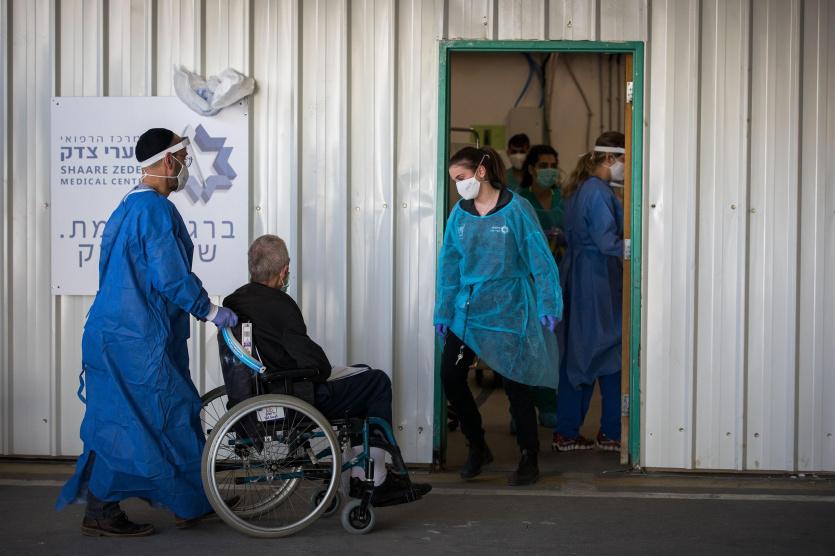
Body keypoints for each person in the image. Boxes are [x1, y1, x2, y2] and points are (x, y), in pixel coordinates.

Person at [56, 128, 240, 537]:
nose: (186, 168)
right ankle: (104, 510)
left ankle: (194, 501)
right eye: (184, 160)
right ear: (167, 160)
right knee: (151, 419)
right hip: (137, 340)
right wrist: (210, 310)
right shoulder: (154, 210)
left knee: (143, 418)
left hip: (118, 333)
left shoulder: (127, 207)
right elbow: (170, 277)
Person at [221, 235, 431, 506]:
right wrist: (322, 369)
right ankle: (374, 478)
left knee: (361, 374)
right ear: (284, 271)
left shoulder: (235, 301)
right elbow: (312, 361)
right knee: (376, 382)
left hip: (262, 389)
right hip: (294, 395)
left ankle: (360, 474)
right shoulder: (280, 305)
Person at [435, 146, 562, 486]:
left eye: (461, 177)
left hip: (509, 308)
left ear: (481, 172)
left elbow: (540, 259)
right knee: (451, 376)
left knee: (515, 383)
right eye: (454, 180)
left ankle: (528, 456)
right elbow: (449, 265)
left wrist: (549, 303)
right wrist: (443, 310)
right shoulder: (459, 214)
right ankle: (477, 446)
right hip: (468, 310)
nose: (458, 185)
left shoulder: (516, 209)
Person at [552, 131, 625, 453]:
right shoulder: (598, 192)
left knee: (579, 355)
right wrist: (638, 247)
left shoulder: (582, 188)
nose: (625, 166)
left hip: (580, 275)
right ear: (609, 158)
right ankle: (610, 431)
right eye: (624, 160)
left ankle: (568, 430)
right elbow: (607, 241)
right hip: (596, 279)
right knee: (610, 351)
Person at [517, 144, 565, 429]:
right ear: (531, 169)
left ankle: (548, 404)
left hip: (558, 279)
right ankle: (520, 410)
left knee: (551, 348)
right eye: (543, 165)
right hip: (527, 282)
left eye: (553, 165)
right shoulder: (520, 200)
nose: (549, 170)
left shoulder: (562, 199)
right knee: (526, 348)